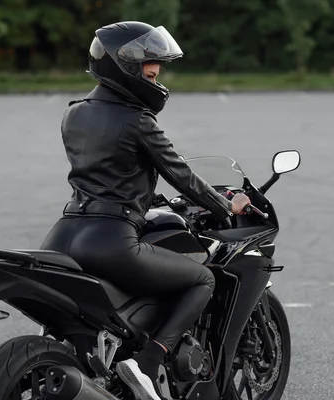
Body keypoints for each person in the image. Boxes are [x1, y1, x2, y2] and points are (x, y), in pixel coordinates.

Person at [40, 21, 251, 400]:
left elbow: (111, 170)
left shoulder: (73, 114)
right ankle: (149, 363)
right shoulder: (137, 120)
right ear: (128, 66)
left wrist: (146, 198)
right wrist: (224, 205)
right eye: (151, 66)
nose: (157, 74)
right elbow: (182, 176)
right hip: (111, 241)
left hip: (62, 236)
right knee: (203, 279)